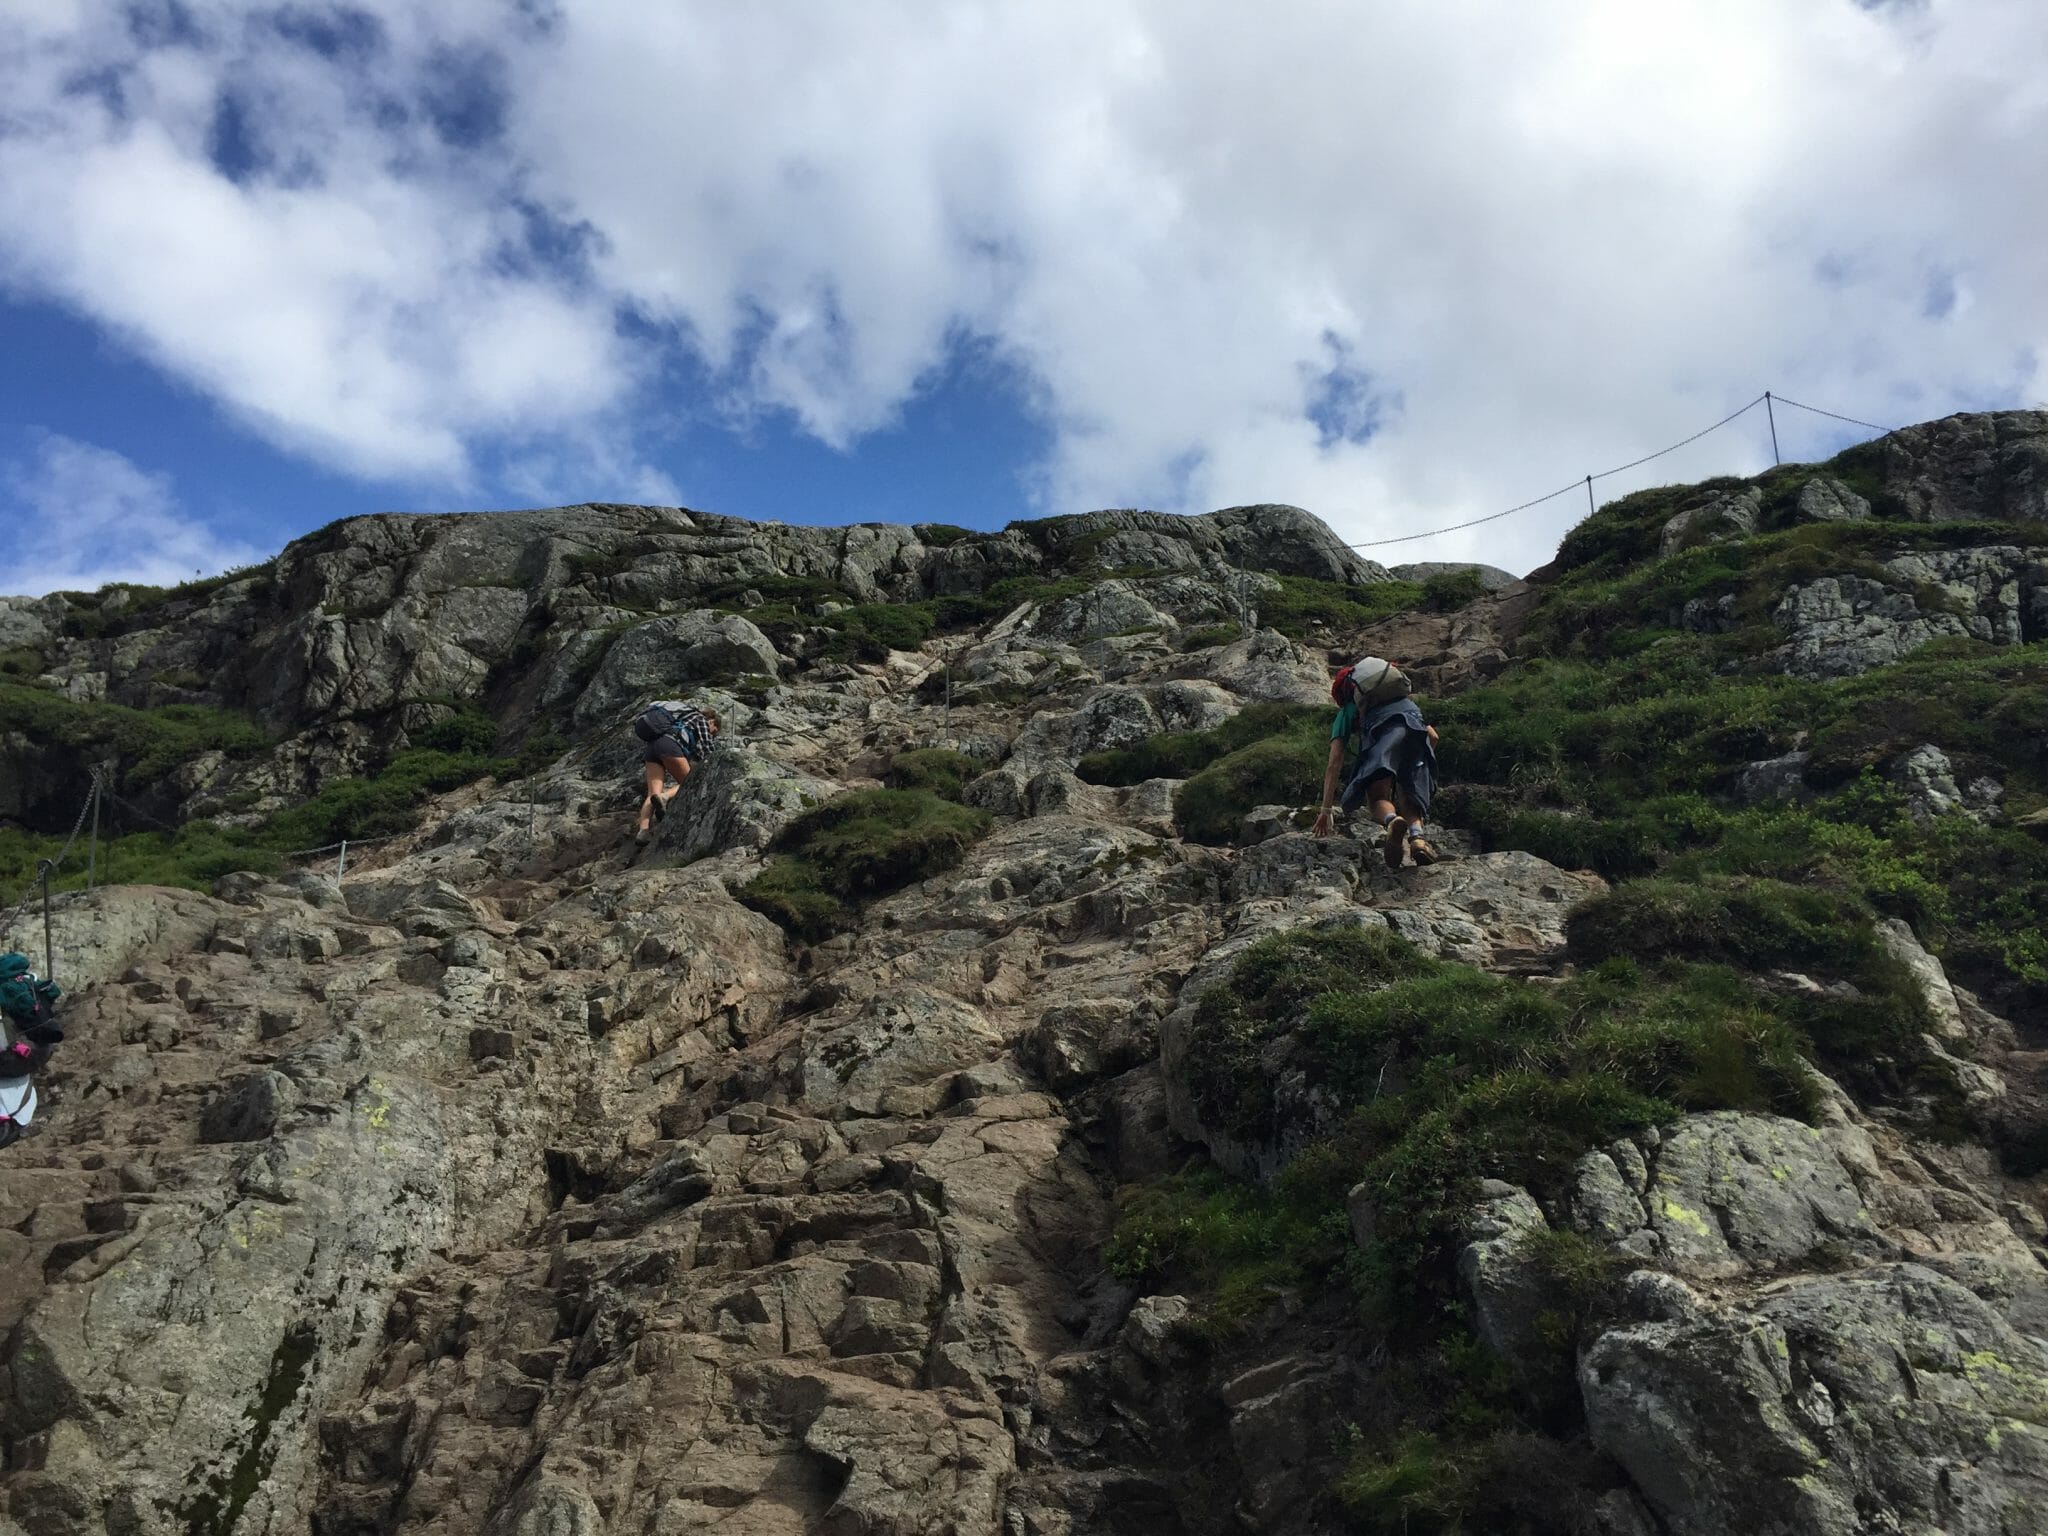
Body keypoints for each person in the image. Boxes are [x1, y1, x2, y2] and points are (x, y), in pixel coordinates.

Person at [1310, 656, 1442, 868]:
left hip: (1382, 736)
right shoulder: (1406, 701)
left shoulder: (1347, 711)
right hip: (1416, 737)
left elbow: (1334, 762)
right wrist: (1417, 762)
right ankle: (1418, 839)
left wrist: (1325, 811)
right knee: (1408, 792)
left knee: (1377, 796)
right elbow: (1433, 736)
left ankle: (1392, 820)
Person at [634, 701, 721, 844]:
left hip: (652, 748)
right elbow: (707, 748)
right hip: (670, 746)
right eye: (715, 731)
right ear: (712, 721)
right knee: (690, 782)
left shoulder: (681, 719)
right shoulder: (701, 720)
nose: (713, 734)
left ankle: (643, 831)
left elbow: (695, 751)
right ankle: (664, 797)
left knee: (652, 793)